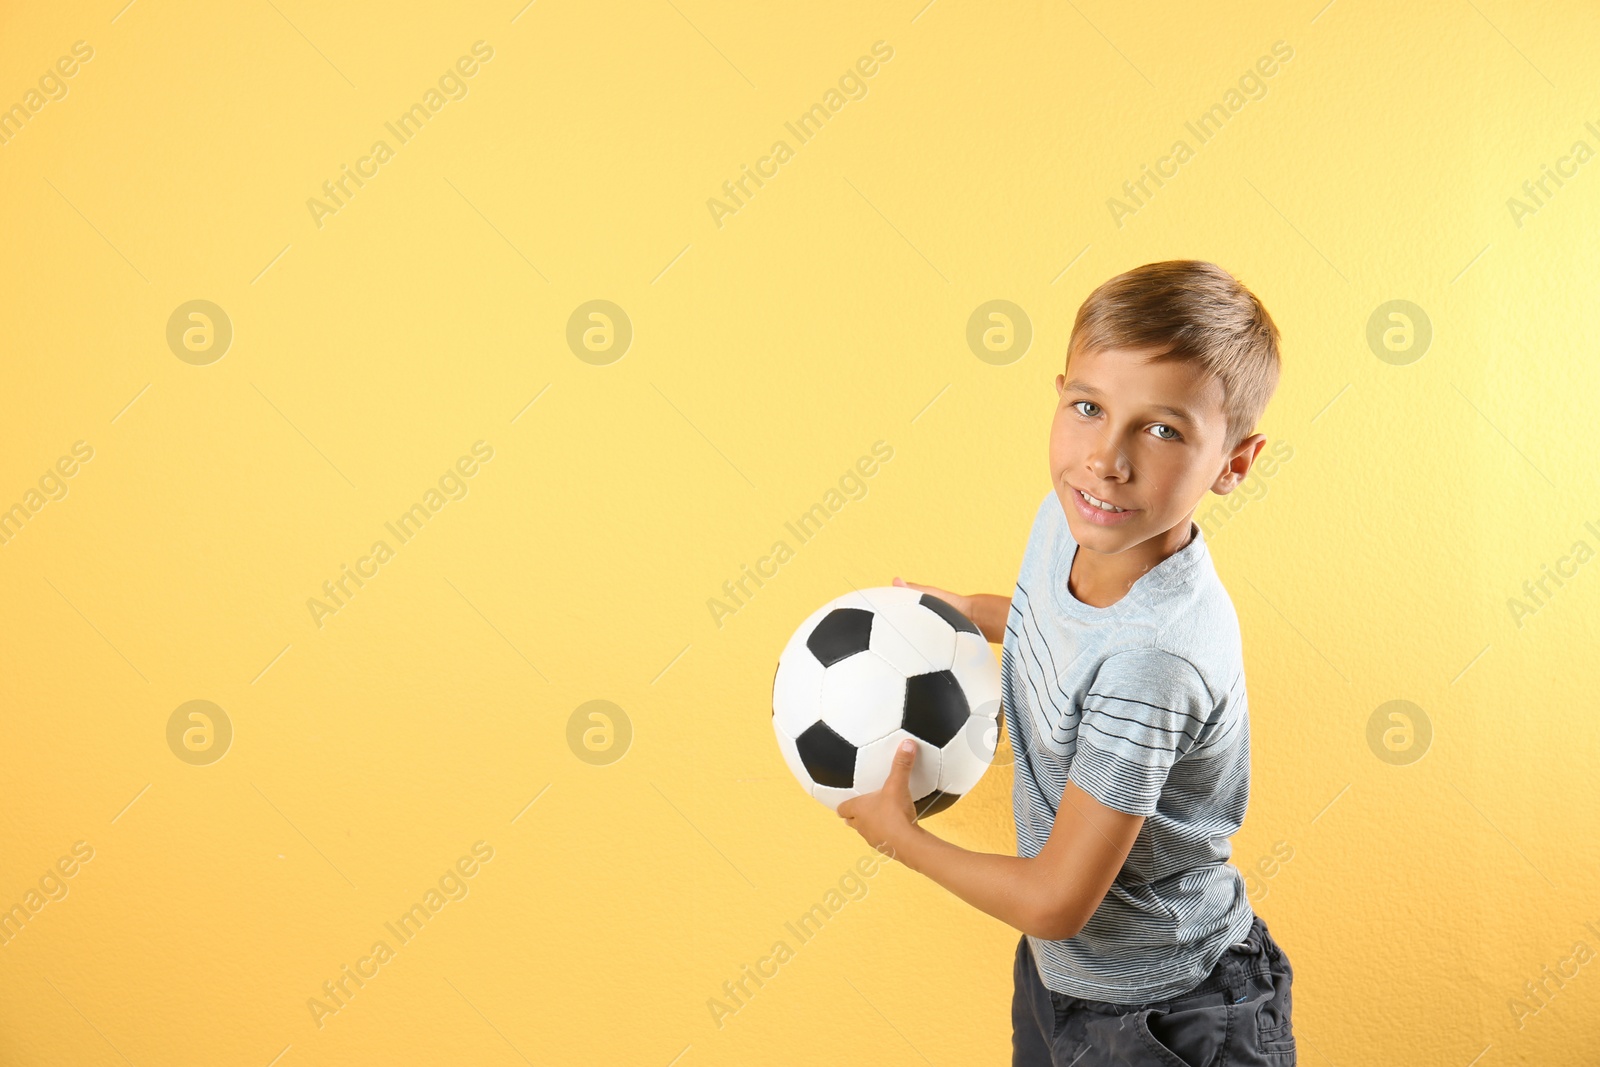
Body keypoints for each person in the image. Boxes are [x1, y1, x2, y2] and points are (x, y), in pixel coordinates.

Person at [837, 260, 1297, 1065]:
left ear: (1234, 463)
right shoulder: (1073, 518)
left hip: (1169, 1011)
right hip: (1068, 981)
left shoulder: (1157, 663)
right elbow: (1067, 632)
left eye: (1162, 429)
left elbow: (1055, 901)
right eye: (1088, 408)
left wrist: (898, 837)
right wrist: (969, 614)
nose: (1105, 459)